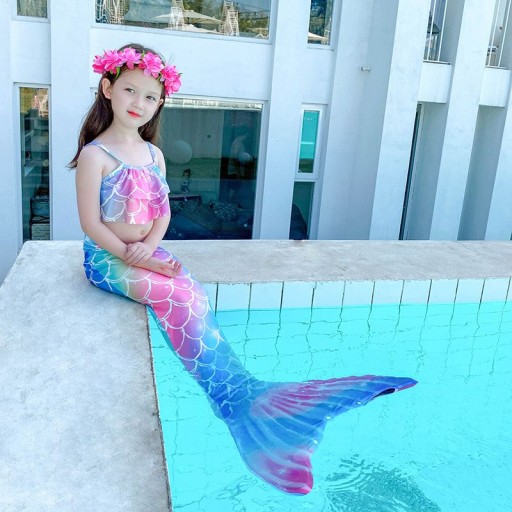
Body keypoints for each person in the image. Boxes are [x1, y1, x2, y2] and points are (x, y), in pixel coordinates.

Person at [70, 44, 417, 495]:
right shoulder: (96, 155)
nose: (139, 102)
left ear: (160, 103)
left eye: (150, 96)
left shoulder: (153, 154)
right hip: (106, 258)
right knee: (172, 294)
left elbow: (163, 212)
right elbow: (91, 224)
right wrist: (134, 255)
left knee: (192, 292)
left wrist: (151, 247)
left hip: (143, 250)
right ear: (107, 88)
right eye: (130, 90)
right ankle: (236, 403)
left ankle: (246, 394)